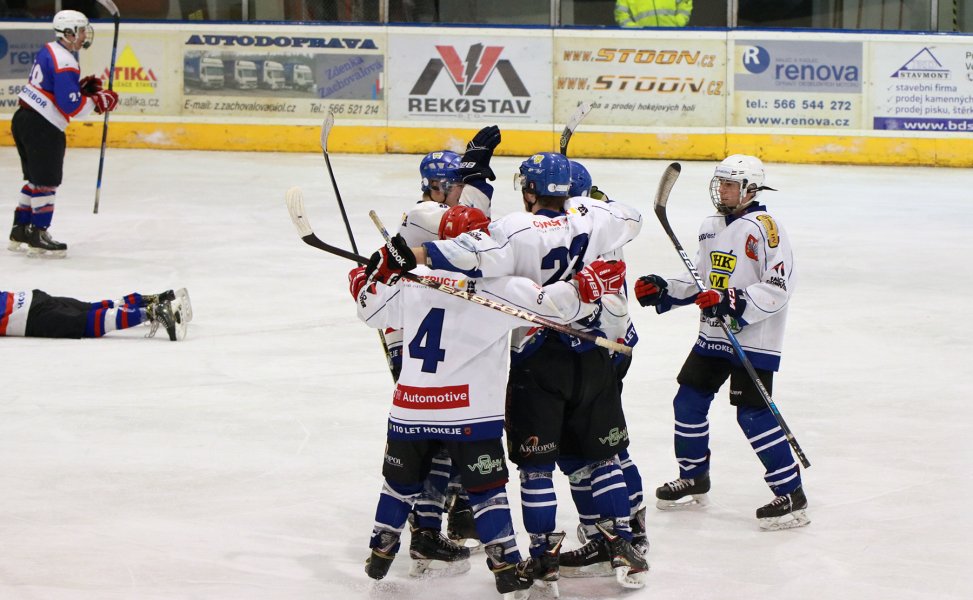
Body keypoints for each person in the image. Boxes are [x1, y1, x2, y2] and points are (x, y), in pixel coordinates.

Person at [369, 153, 648, 590]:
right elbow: (629, 218)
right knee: (601, 456)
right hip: (593, 352)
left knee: (536, 468)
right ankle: (622, 543)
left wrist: (406, 257)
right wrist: (587, 260)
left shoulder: (513, 233)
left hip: (534, 362)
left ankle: (542, 557)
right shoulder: (594, 219)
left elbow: (469, 254)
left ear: (529, 190)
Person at [633, 154, 808, 531]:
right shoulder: (710, 225)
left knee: (752, 415)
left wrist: (733, 300)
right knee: (688, 400)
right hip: (713, 333)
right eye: (721, 183)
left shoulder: (766, 228)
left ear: (750, 189)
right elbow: (700, 278)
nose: (722, 190)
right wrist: (665, 289)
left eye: (730, 184)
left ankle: (790, 492)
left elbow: (779, 286)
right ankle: (694, 476)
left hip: (754, 335)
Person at [387, 126, 502, 563]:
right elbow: (473, 225)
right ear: (434, 186)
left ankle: (447, 516)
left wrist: (475, 174)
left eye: (458, 185)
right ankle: (427, 527)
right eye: (452, 184)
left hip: (441, 338)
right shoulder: (424, 214)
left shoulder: (441, 211)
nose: (455, 192)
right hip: (416, 343)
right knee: (437, 439)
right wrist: (478, 175)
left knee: (452, 435)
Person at [557, 160, 648, 578]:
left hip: (596, 347)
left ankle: (617, 532)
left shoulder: (578, 227)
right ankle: (626, 524)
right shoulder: (605, 220)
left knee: (597, 446)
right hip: (613, 341)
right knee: (605, 441)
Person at [8, 9, 119, 257]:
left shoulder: (50, 49)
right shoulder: (66, 61)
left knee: (35, 180)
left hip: (24, 120)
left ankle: (21, 229)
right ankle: (38, 234)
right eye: (81, 31)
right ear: (68, 33)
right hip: (43, 126)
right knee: (46, 182)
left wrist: (81, 91)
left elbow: (54, 89)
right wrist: (97, 102)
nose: (85, 35)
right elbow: (71, 107)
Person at [1, 288, 191, 341]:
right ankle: (151, 300)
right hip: (31, 297)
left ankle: (153, 312)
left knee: (86, 323)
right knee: (89, 309)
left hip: (26, 316)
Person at [615, 0, 692, 27]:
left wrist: (679, 22)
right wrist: (635, 30)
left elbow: (684, 4)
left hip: (673, 34)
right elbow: (621, 13)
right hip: (643, 40)